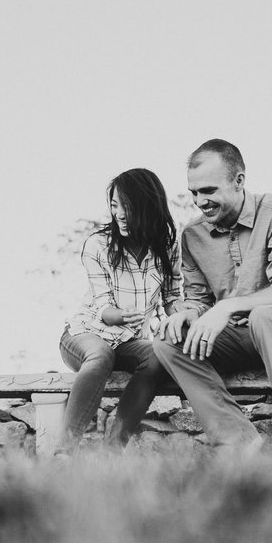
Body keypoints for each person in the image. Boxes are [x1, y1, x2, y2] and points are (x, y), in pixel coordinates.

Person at [152, 139, 272, 456]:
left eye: (208, 191)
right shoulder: (192, 235)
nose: (200, 201)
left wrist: (229, 306)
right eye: (194, 193)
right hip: (233, 337)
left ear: (239, 181)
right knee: (168, 339)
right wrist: (187, 314)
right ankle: (238, 442)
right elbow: (197, 300)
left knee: (265, 316)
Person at [59, 167, 181, 453]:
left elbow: (172, 296)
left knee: (156, 356)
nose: (120, 214)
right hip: (84, 334)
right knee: (101, 355)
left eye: (127, 205)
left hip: (128, 340)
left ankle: (114, 447)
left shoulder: (168, 246)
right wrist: (120, 315)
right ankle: (64, 452)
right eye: (115, 205)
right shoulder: (97, 245)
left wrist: (180, 323)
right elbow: (102, 307)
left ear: (148, 206)